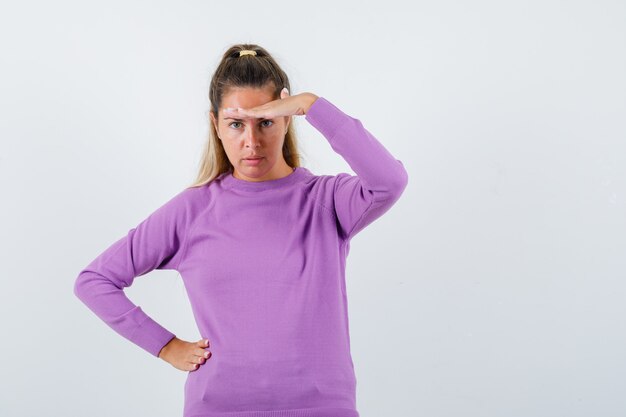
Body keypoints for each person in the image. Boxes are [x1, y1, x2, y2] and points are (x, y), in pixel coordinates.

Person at [74, 43, 409, 417]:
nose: (252, 142)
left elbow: (389, 181)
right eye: (236, 123)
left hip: (321, 408)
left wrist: (313, 105)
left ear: (286, 119)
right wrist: (166, 346)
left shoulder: (326, 201)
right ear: (216, 124)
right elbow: (95, 280)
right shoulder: (193, 210)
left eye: (265, 121)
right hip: (218, 408)